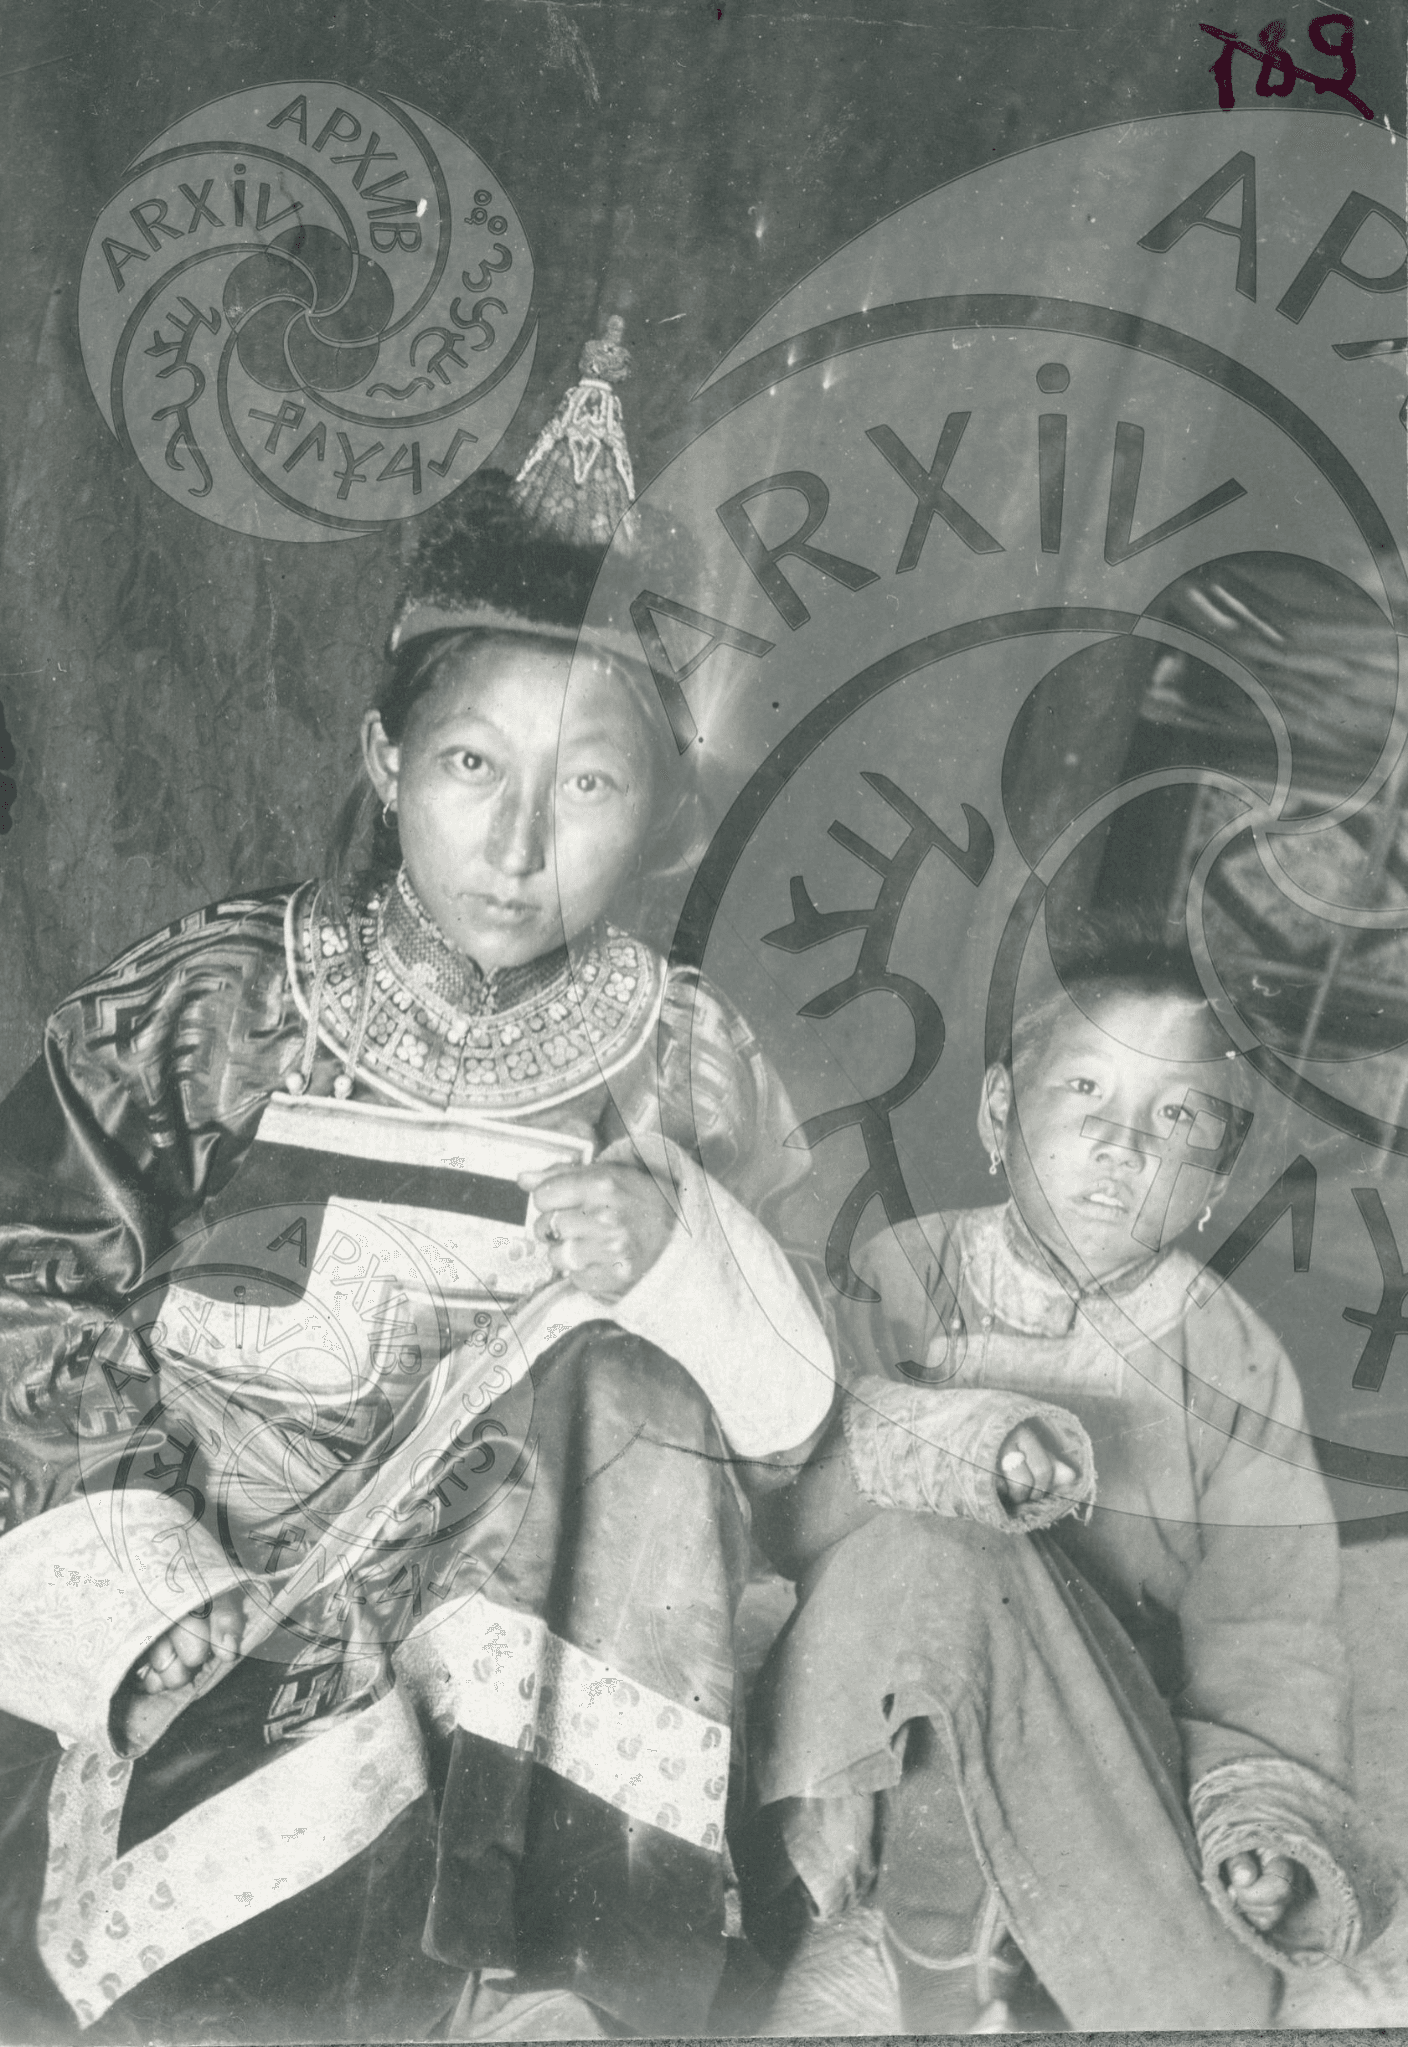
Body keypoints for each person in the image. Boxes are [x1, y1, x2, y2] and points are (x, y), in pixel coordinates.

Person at [0, 325, 835, 2044]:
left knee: (626, 1371)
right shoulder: (222, 998)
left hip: (516, 1650)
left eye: (585, 783)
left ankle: (564, 1974)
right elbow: (22, 1277)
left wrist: (682, 1257)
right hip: (214, 1609)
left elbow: (786, 1429)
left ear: (660, 813)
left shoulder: (680, 1059)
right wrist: (159, 1604)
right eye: (472, 766)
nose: (520, 842)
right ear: (387, 770)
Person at [742, 926, 1396, 2034]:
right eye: (1084, 1087)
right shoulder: (905, 1276)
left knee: (950, 1563)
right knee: (919, 1549)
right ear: (1000, 1112)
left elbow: (1270, 1634)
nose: (1118, 1140)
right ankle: (920, 1963)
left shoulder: (1230, 1361)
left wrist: (1261, 1830)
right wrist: (961, 1446)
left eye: (1175, 1116)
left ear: (1215, 1173)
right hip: (878, 1775)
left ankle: (978, 1965)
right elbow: (795, 1517)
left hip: (1096, 1771)